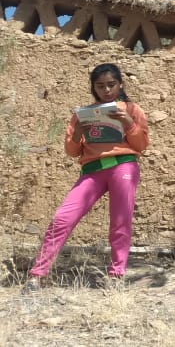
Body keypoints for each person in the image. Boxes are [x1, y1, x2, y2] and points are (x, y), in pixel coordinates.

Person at [27, 63, 150, 290]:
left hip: (123, 166)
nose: (106, 90)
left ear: (120, 84)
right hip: (92, 171)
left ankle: (116, 275)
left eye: (111, 85)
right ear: (93, 87)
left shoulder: (132, 109)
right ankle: (37, 274)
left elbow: (141, 145)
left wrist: (128, 122)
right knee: (62, 218)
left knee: (120, 222)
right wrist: (78, 134)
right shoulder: (82, 114)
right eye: (100, 85)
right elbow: (72, 152)